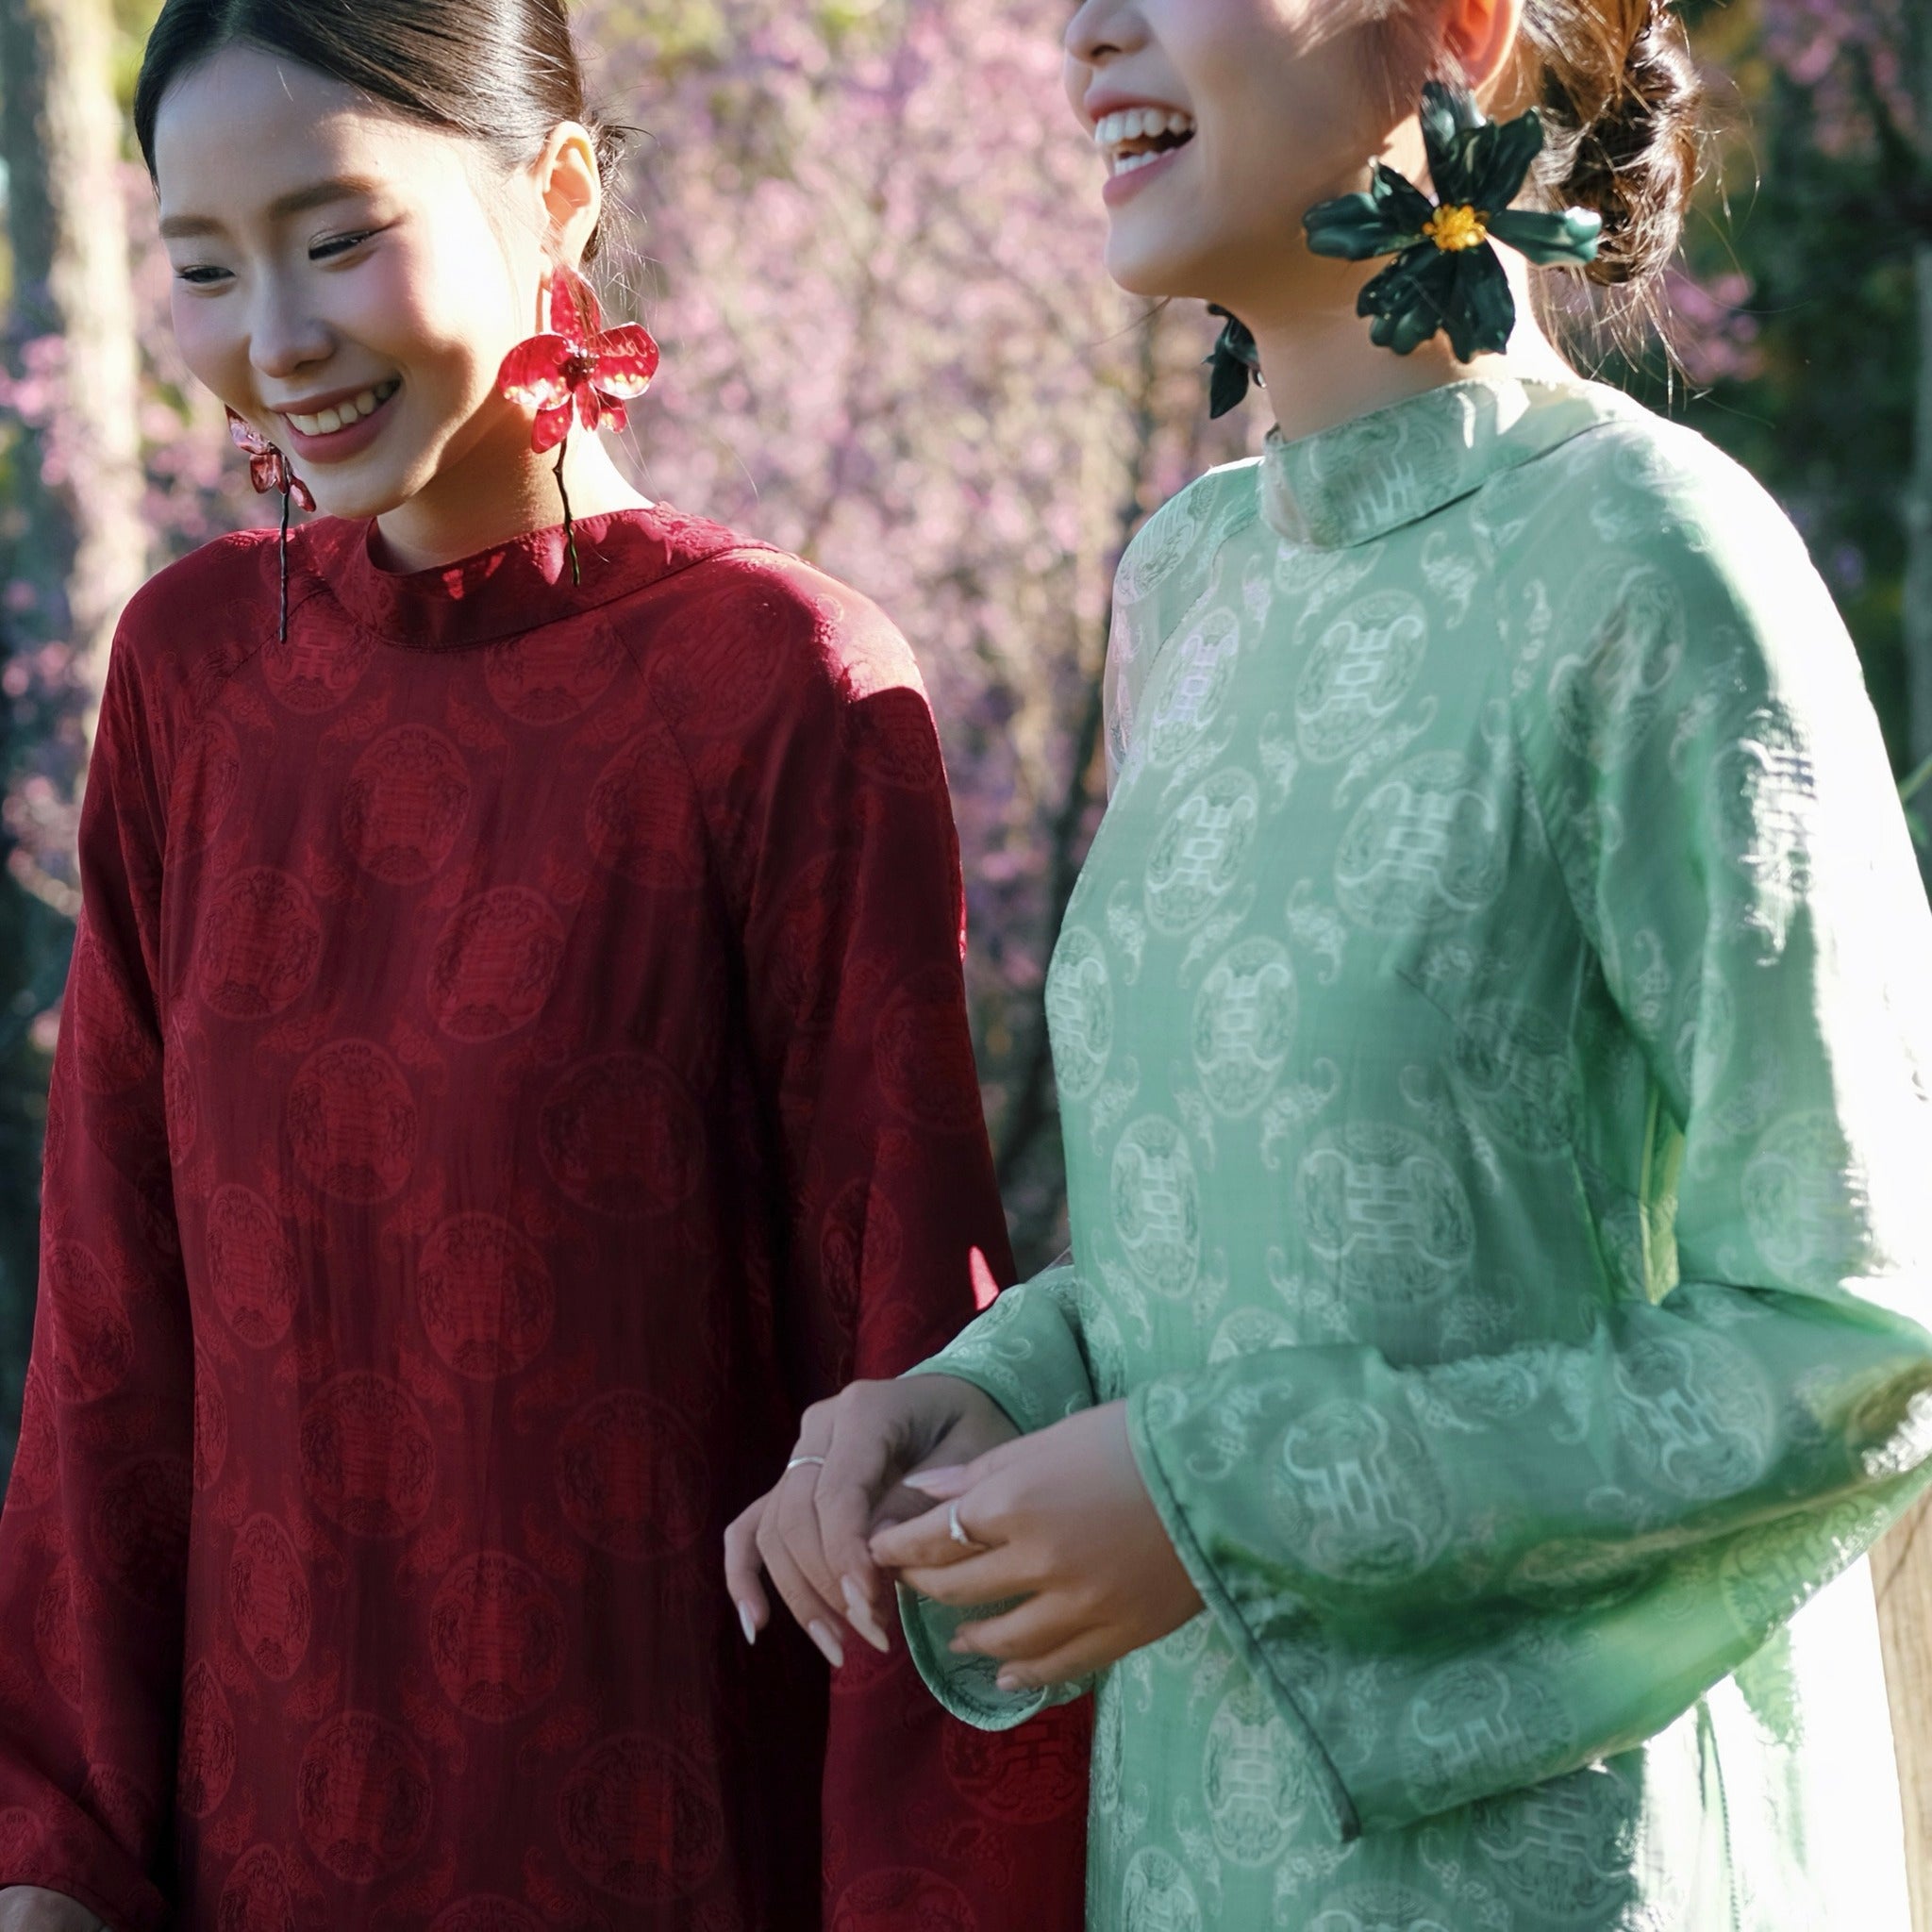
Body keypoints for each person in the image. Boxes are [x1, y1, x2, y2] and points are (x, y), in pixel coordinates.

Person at [725, 0, 1932, 1921]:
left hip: (1567, 1862)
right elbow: (1225, 1251)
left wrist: (1224, 1503)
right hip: (1202, 1845)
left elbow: (1857, 1332)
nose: (1086, 30)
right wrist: (985, 1397)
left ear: (1453, 22)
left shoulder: (1654, 562)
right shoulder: (1183, 581)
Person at [0, 2, 1090, 1925]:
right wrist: (57, 1862)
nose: (272, 340)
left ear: (559, 195)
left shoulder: (789, 690)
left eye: (339, 238)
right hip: (256, 1857)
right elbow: (106, 1347)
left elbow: (913, 1362)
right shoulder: (189, 683)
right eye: (199, 265)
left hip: (670, 1842)